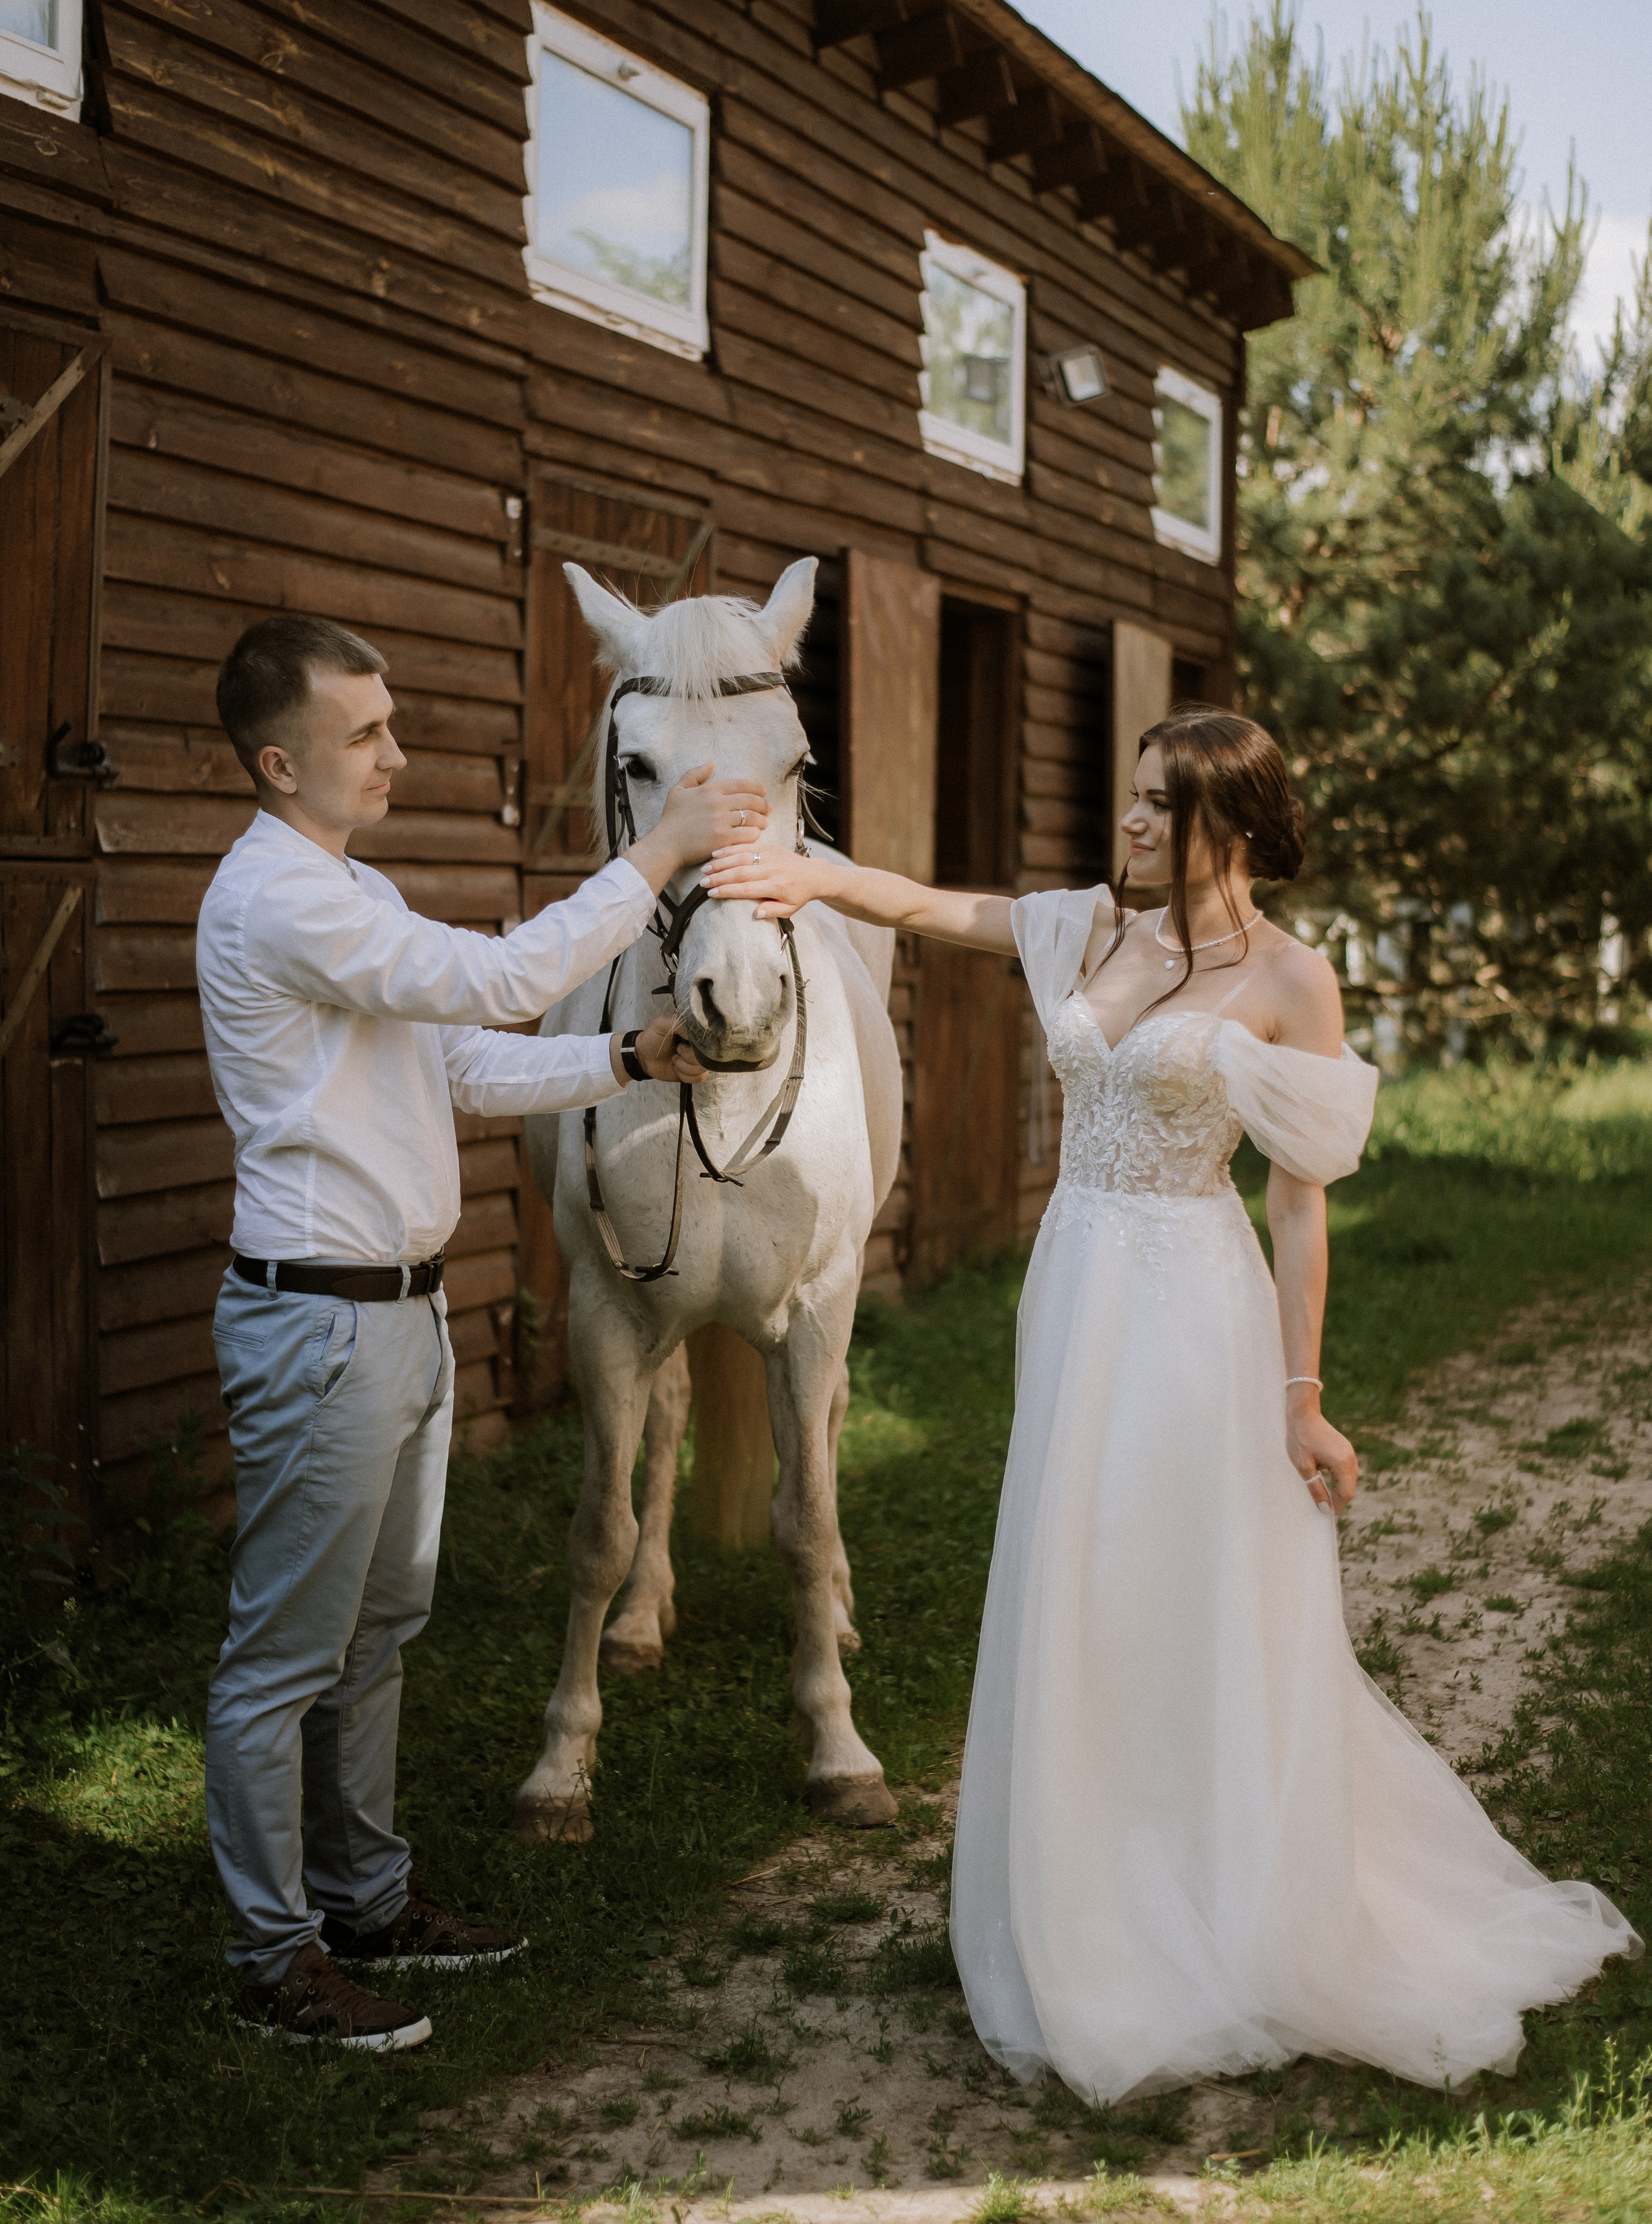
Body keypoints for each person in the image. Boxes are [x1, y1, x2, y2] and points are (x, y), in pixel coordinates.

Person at [708, 703, 1639, 2102]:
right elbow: (936, 907)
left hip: (1194, 1309)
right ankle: (1082, 1895)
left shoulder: (1292, 979)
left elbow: (1300, 1206)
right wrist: (806, 872)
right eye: (1132, 794)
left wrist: (1301, 1397)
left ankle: (1220, 1898)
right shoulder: (1093, 927)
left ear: (1234, 823)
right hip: (1073, 1292)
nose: (1131, 820)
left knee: (1179, 1586)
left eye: (1161, 802)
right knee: (1078, 1584)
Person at [199, 612, 763, 2052]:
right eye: (364, 733)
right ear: (278, 763)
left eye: (390, 722)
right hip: (320, 1324)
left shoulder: (351, 889)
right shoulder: (279, 900)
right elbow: (502, 981)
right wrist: (657, 854)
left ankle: (366, 1900)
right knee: (283, 1658)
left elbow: (461, 1058)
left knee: (378, 1630)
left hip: (395, 1315)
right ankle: (274, 1960)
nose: (395, 751)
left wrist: (625, 1053)